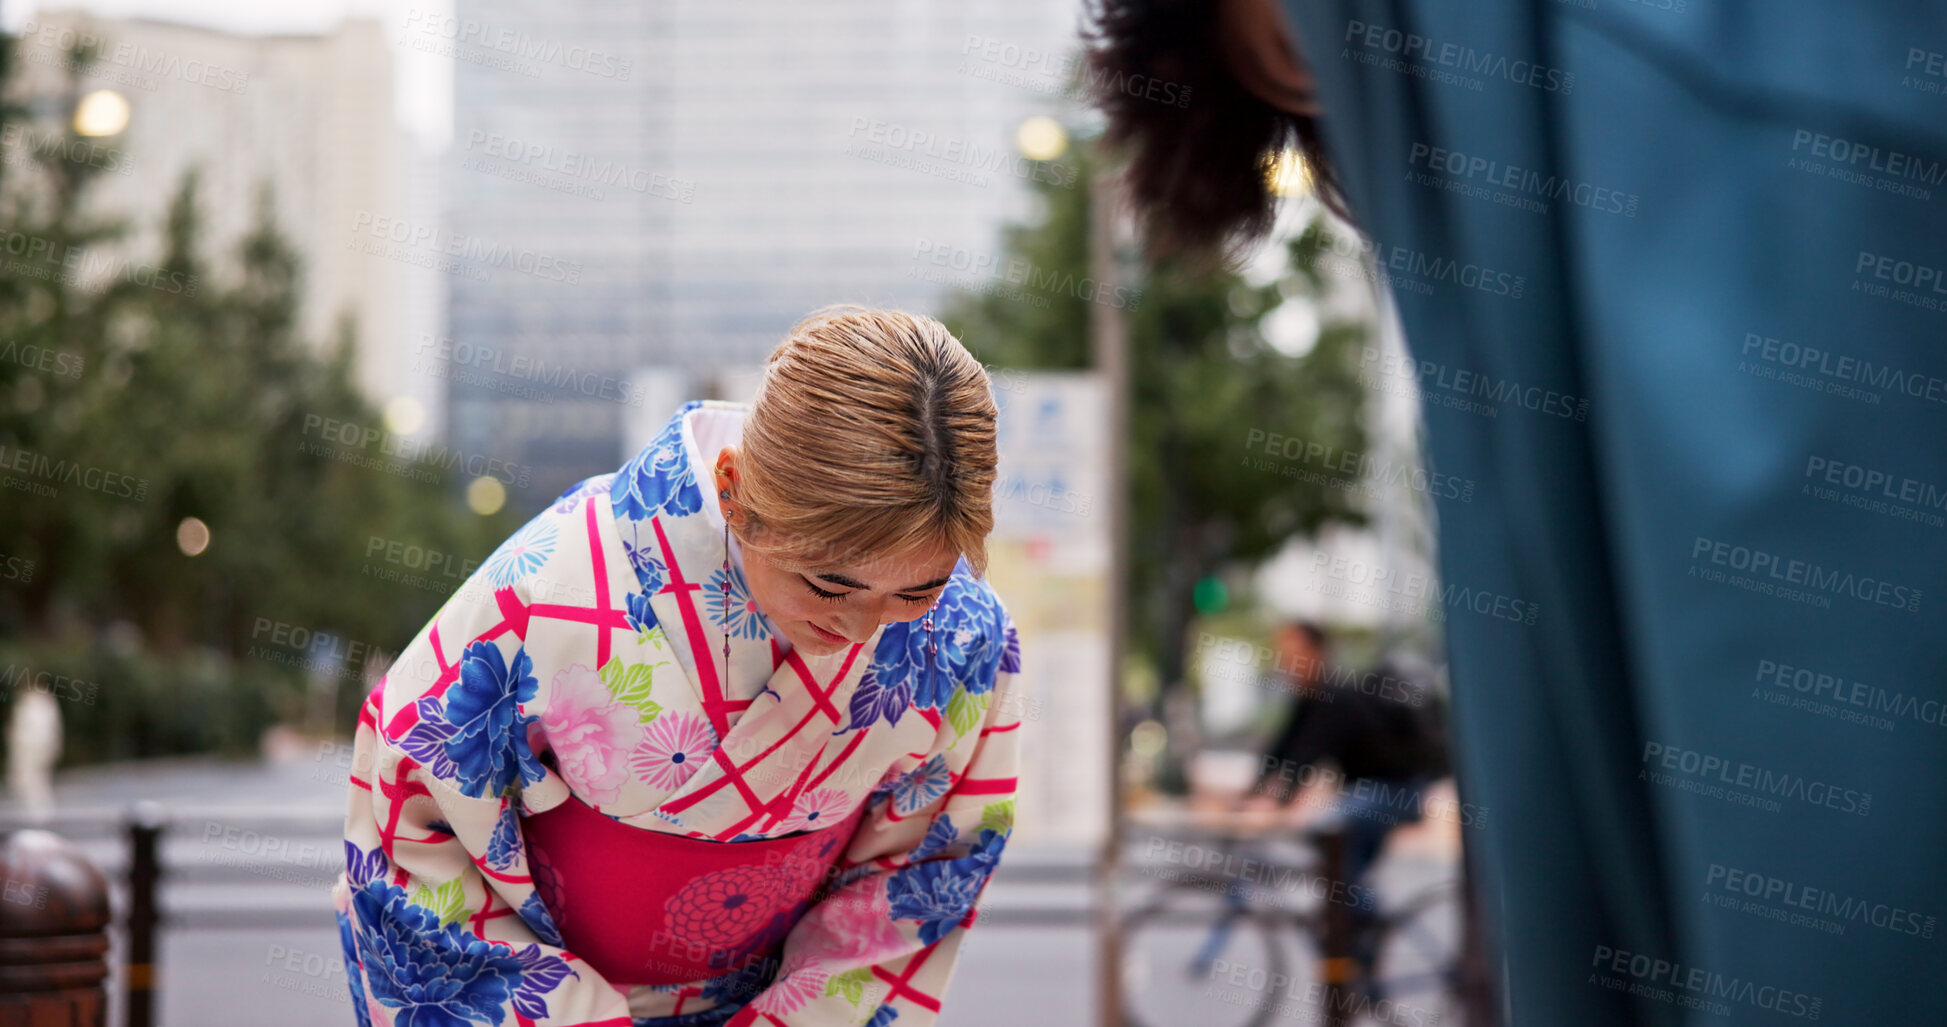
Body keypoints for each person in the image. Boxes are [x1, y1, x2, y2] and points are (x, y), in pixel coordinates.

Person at [1090, 1, 1947, 1022]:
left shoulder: (1636, 102)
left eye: (1302, 61)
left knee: (1361, 852)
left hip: (1424, 806)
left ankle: (1352, 941)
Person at [332, 307, 1023, 1027]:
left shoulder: (964, 636)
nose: (859, 626)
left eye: (916, 590)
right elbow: (413, 838)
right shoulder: (545, 593)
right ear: (733, 490)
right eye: (828, 583)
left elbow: (921, 877)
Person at [1243, 624, 1446, 966]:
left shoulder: (1334, 696)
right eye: (1282, 654)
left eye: (1293, 652)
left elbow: (1304, 758)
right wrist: (1252, 793)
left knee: (1324, 834)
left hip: (1396, 792)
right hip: (1371, 793)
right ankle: (1359, 960)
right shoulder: (1308, 699)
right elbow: (1281, 753)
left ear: (1317, 653)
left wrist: (1276, 801)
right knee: (1341, 878)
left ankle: (1369, 919)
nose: (1285, 662)